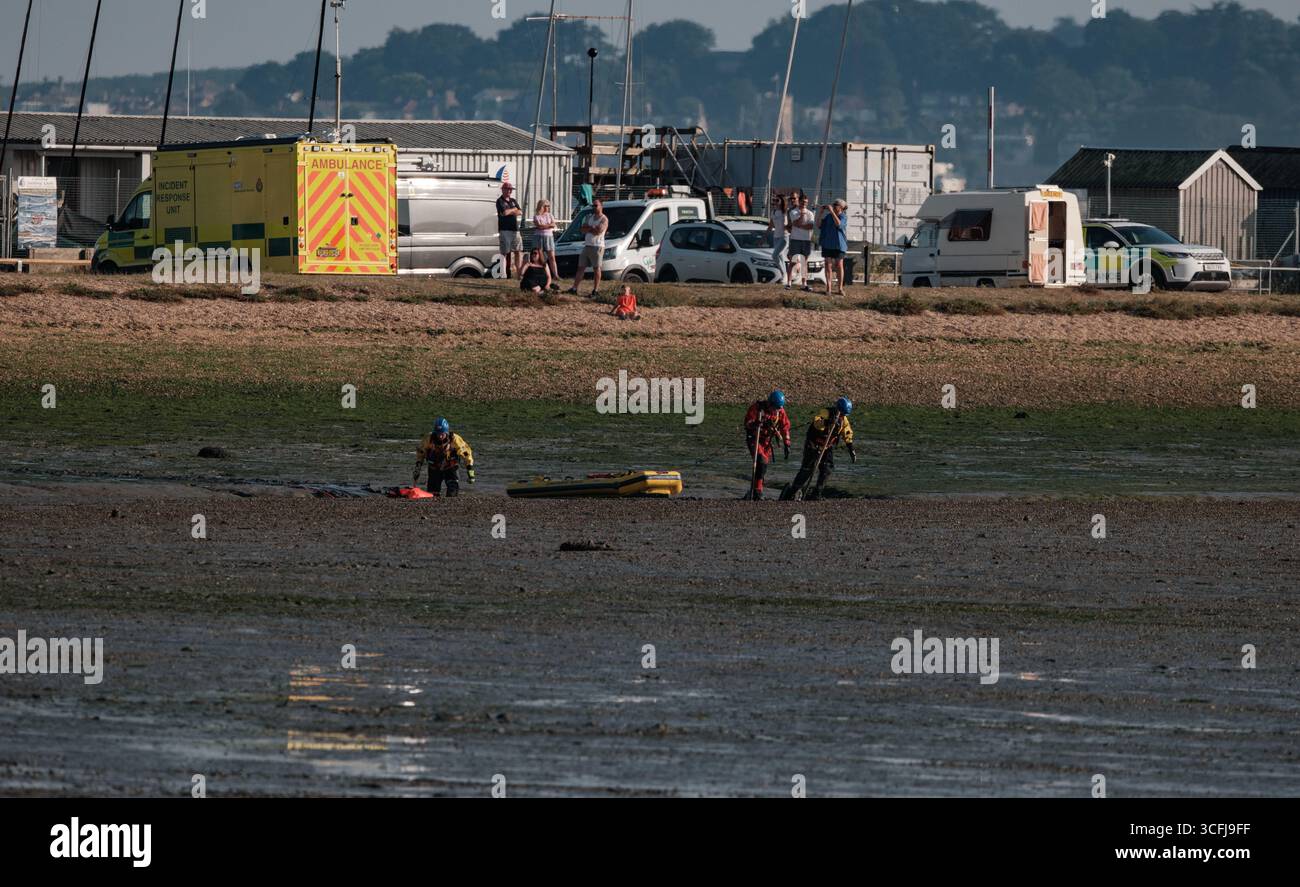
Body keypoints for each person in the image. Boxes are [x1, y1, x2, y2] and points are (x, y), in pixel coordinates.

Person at [780, 396, 856, 501]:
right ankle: (792, 491)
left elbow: (847, 433)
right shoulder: (825, 412)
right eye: (842, 413)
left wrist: (850, 448)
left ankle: (817, 493)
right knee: (808, 469)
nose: (842, 416)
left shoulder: (844, 420)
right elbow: (817, 423)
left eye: (844, 414)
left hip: (827, 446)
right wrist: (827, 422)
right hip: (813, 444)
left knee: (827, 469)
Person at [743, 389, 792, 500]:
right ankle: (758, 491)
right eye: (774, 408)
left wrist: (787, 442)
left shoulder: (780, 412)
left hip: (767, 442)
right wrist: (756, 424)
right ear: (770, 403)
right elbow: (747, 423)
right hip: (755, 439)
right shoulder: (757, 408)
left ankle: (756, 490)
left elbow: (785, 427)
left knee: (763, 467)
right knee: (761, 462)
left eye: (778, 409)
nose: (776, 411)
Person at [412, 416, 476, 497]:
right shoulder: (429, 439)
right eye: (438, 433)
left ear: (446, 432)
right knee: (432, 495)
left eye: (442, 433)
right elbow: (420, 453)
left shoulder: (454, 439)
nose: (440, 436)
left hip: (451, 468)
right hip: (434, 468)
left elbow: (466, 453)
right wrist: (418, 468)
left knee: (452, 494)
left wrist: (470, 471)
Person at [567, 198, 608, 297]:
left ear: (601, 206)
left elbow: (599, 231)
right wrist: (592, 228)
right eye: (593, 205)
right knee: (581, 267)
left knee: (596, 268)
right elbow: (582, 229)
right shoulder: (590, 217)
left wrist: (589, 228)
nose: (594, 207)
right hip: (587, 245)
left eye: (596, 205)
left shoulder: (604, 219)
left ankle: (595, 290)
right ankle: (574, 288)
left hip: (597, 246)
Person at [819, 199, 849, 296]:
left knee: (839, 265)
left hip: (839, 244)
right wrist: (820, 213)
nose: (834, 206)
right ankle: (829, 287)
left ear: (841, 207)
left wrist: (832, 211)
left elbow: (839, 225)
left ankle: (840, 288)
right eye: (833, 204)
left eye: (836, 205)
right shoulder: (828, 217)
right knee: (828, 264)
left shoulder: (843, 216)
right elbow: (818, 225)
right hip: (827, 243)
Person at [786, 191, 816, 292]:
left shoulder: (810, 213)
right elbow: (795, 223)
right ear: (799, 201)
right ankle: (789, 283)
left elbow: (811, 226)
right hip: (795, 239)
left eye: (806, 202)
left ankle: (804, 284)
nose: (804, 204)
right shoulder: (793, 212)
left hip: (806, 240)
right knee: (793, 262)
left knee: (804, 262)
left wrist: (800, 226)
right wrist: (802, 216)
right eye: (803, 202)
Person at [495, 182, 524, 279]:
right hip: (505, 230)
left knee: (518, 251)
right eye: (508, 189)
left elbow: (520, 212)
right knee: (504, 252)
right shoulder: (500, 201)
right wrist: (513, 210)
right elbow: (505, 212)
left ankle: (519, 273)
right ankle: (503, 274)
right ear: (503, 190)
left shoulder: (513, 200)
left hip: (515, 229)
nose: (510, 191)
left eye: (511, 189)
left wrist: (512, 210)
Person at [532, 199, 561, 291]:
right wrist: (547, 225)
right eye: (546, 206)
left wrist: (545, 225)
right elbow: (539, 226)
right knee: (539, 257)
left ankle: (555, 274)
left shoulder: (550, 215)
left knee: (551, 256)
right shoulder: (536, 216)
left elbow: (553, 224)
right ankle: (541, 273)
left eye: (548, 206)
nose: (547, 208)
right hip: (539, 237)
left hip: (548, 236)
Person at [767, 193, 789, 287]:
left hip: (784, 237)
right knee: (780, 257)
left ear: (782, 202)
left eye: (777, 200)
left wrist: (786, 225)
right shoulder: (773, 212)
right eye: (774, 200)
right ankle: (784, 276)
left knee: (775, 255)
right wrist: (763, 238)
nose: (775, 202)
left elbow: (787, 225)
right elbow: (771, 226)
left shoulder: (786, 212)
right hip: (776, 237)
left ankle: (784, 274)